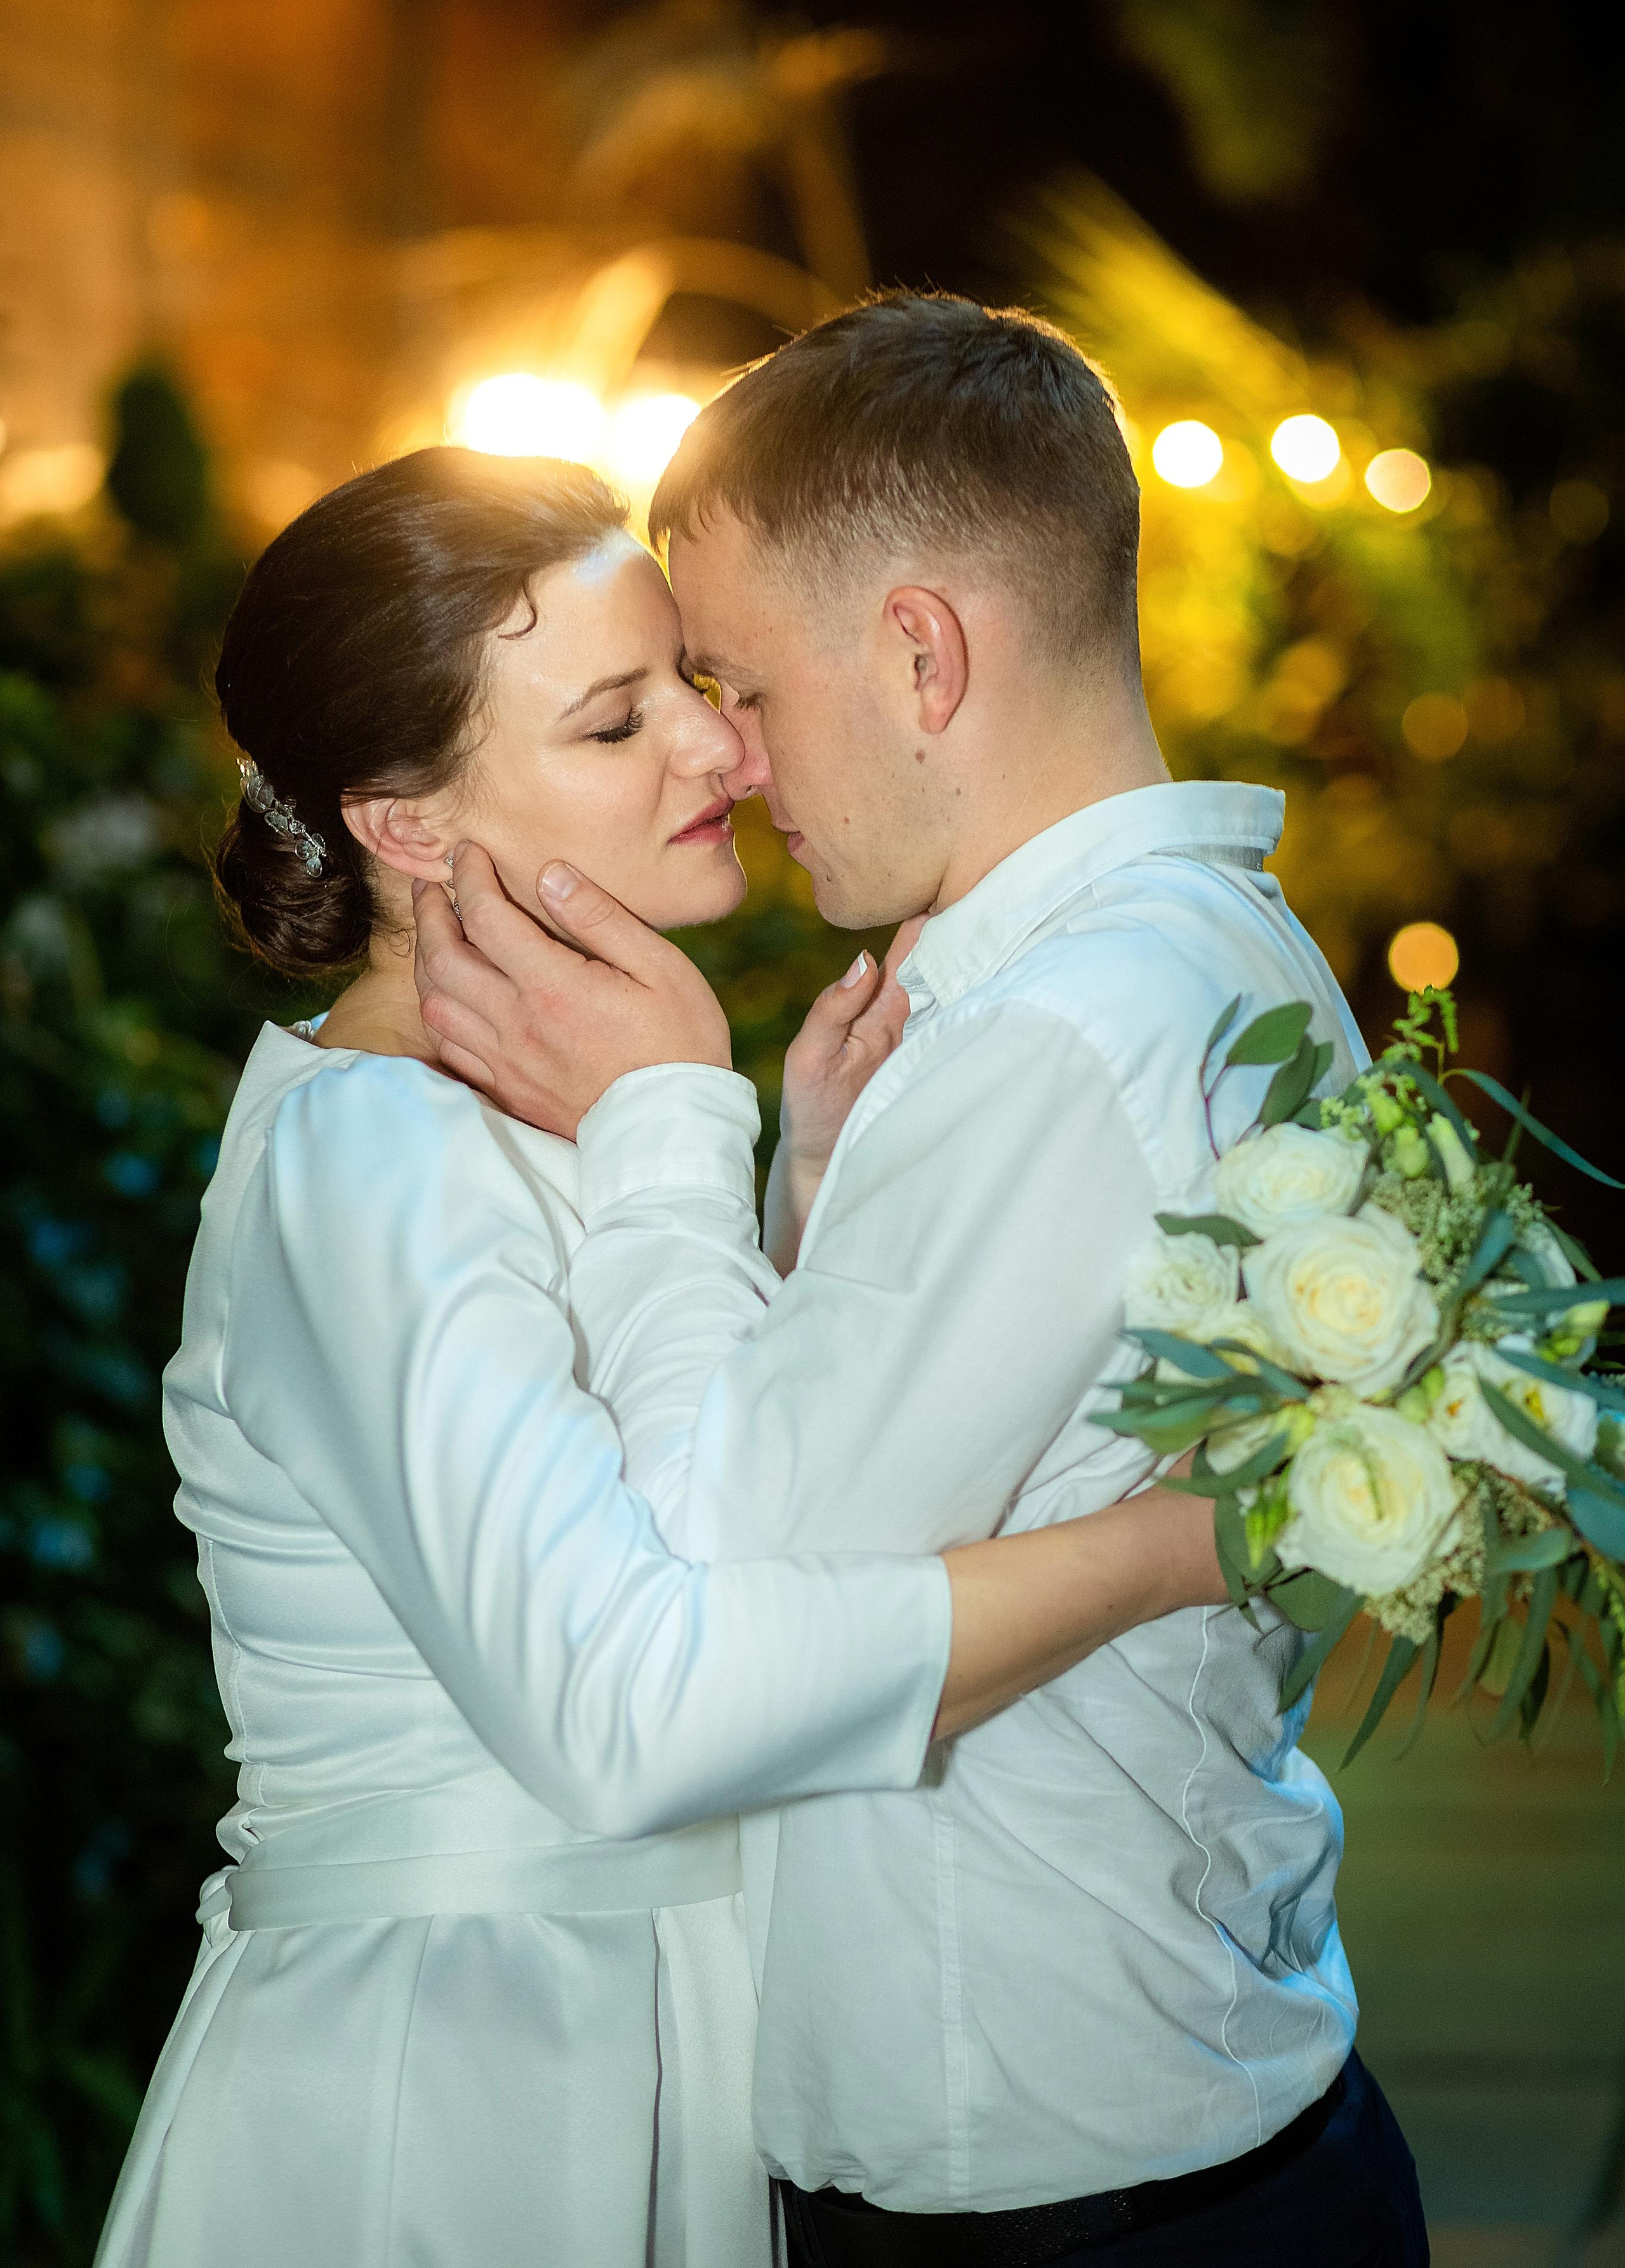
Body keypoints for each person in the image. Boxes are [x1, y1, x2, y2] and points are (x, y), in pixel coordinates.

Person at [93, 446, 1228, 2268]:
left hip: (655, 2042)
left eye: (693, 685)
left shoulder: (548, 1106)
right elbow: (634, 1712)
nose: (721, 751)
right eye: (618, 725)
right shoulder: (368, 1160)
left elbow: (703, 1516)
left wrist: (772, 1206)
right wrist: (1181, 1549)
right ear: (405, 825)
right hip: (459, 2097)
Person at [413, 298, 1431, 2267]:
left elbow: (727, 1601)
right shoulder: (1216, 953)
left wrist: (658, 1127)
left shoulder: (1060, 1037)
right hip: (1164, 2132)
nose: (725, 753)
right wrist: (806, 1194)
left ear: (923, 651)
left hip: (1073, 2198)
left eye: (745, 687)